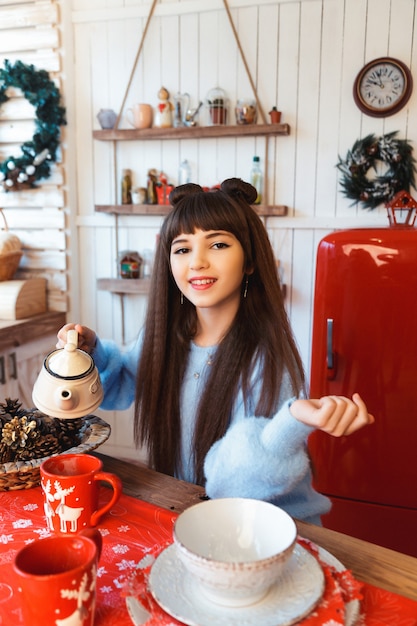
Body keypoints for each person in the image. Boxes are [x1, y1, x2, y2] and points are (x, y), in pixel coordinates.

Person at [57, 178, 374, 524]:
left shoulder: (265, 360)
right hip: (191, 509)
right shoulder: (164, 338)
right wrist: (91, 354)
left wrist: (293, 418)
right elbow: (124, 380)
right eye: (182, 249)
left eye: (218, 245)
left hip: (270, 528)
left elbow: (239, 482)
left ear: (250, 261)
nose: (197, 262)